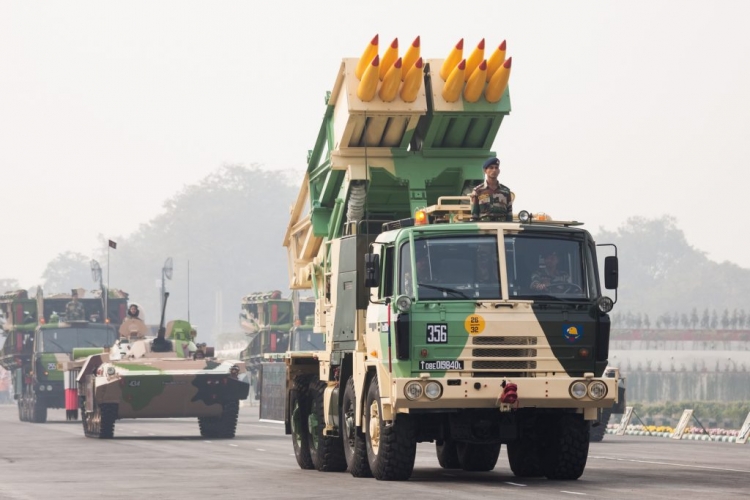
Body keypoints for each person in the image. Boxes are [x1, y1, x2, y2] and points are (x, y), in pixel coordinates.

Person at [470, 157, 514, 222]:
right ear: (485, 171)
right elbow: (474, 215)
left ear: (499, 171)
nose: (494, 170)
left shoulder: (506, 191)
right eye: (491, 168)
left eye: (496, 168)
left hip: (502, 228)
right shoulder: (478, 191)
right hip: (485, 228)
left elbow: (509, 215)